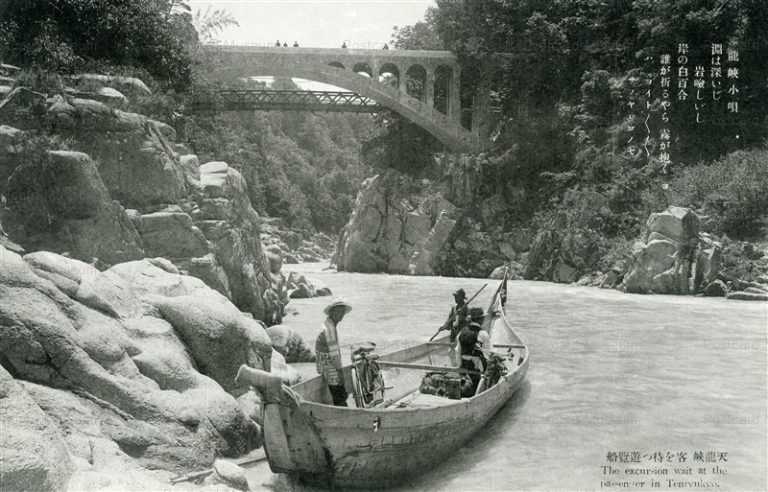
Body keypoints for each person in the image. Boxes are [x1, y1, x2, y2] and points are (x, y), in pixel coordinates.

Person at [315, 298, 352, 406]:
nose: (341, 315)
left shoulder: (328, 324)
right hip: (328, 365)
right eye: (338, 312)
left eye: (342, 312)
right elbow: (334, 355)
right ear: (332, 312)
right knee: (340, 396)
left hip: (324, 363)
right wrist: (340, 373)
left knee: (341, 394)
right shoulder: (329, 329)